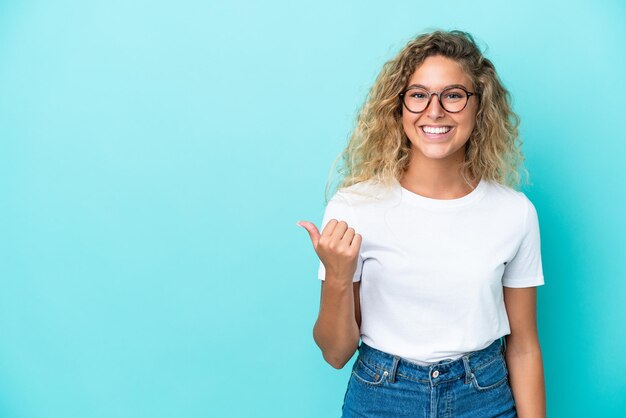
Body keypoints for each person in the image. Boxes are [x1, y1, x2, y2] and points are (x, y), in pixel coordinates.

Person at [297, 30, 546, 417]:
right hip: (382, 397)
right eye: (418, 95)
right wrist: (338, 277)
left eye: (453, 95)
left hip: (483, 397)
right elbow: (335, 353)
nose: (434, 111)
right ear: (398, 108)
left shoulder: (515, 212)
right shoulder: (354, 208)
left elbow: (524, 345)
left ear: (479, 106)